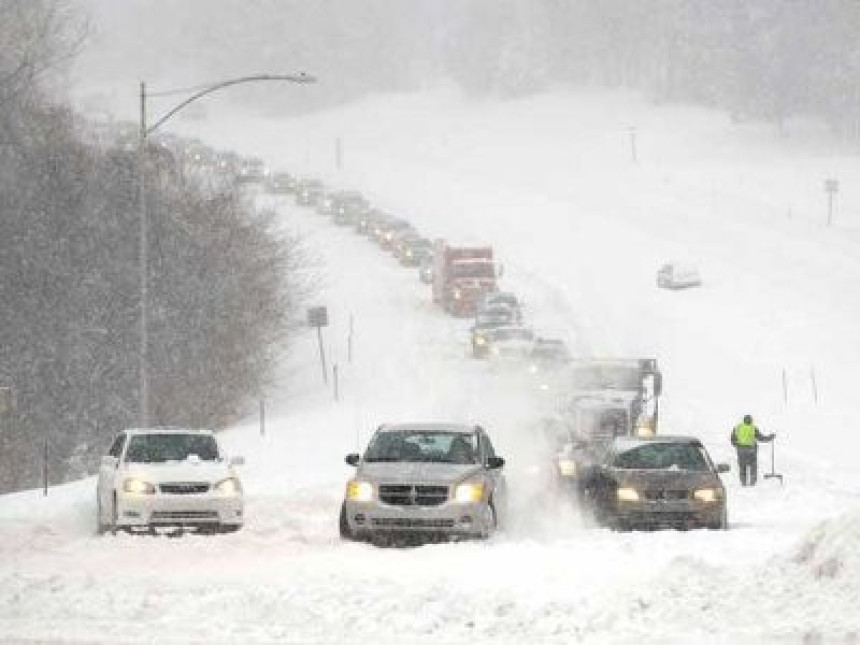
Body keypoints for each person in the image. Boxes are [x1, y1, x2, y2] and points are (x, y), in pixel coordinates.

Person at [730, 414, 774, 486]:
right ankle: (752, 483)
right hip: (751, 450)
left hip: (741, 451)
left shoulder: (738, 428)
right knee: (753, 467)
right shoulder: (753, 428)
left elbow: (732, 439)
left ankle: (743, 483)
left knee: (742, 467)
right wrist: (770, 437)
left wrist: (738, 446)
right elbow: (761, 438)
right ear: (751, 420)